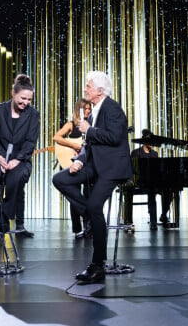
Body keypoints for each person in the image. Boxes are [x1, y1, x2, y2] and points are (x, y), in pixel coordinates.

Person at [52, 71, 132, 285]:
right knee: (60, 179)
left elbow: (115, 138)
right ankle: (88, 213)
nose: (85, 88)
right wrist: (79, 159)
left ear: (100, 90)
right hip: (94, 164)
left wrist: (90, 129)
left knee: (96, 208)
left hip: (112, 168)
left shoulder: (112, 108)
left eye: (89, 85)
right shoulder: (95, 110)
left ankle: (98, 265)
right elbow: (89, 143)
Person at [0, 74, 40, 234]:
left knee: (17, 177)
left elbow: (30, 142)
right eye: (23, 98)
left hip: (20, 159)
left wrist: (17, 160)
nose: (26, 103)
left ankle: (4, 216)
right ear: (13, 93)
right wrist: (0, 159)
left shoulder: (33, 115)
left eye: (29, 99)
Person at [52, 98, 93, 238]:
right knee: (74, 196)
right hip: (71, 163)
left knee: (88, 193)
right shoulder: (71, 125)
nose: (88, 111)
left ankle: (89, 227)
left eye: (89, 109)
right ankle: (77, 229)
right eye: (85, 109)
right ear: (79, 110)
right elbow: (56, 137)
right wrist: (74, 146)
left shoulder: (91, 125)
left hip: (87, 164)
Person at [124, 138, 171, 231]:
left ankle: (163, 215)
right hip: (138, 181)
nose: (153, 143)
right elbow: (131, 168)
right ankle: (128, 221)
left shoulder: (155, 154)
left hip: (152, 182)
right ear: (144, 142)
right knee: (131, 191)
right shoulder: (136, 153)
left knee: (168, 190)